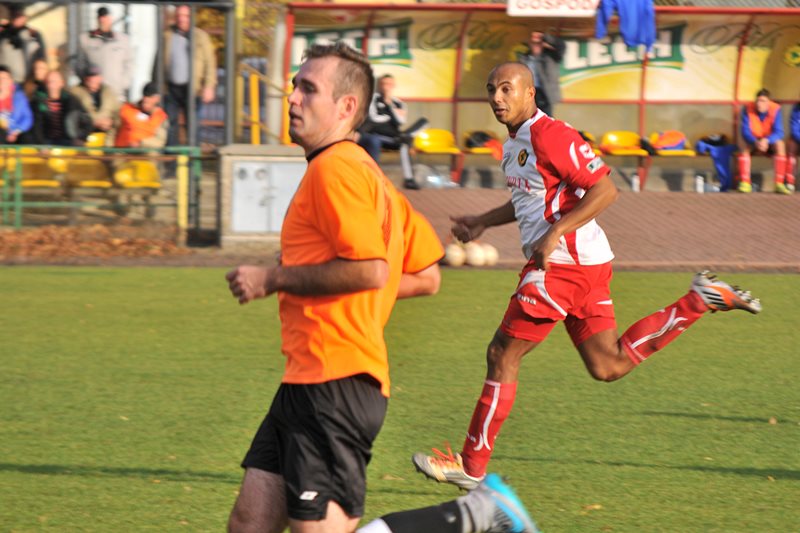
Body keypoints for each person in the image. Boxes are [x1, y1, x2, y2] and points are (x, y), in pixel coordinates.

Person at [225, 42, 538, 533]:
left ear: (346, 106)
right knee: (250, 523)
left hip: (334, 382)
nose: (292, 98)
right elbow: (426, 276)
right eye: (294, 86)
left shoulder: (335, 169)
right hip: (308, 377)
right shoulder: (372, 177)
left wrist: (273, 278)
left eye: (308, 89)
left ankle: (472, 513)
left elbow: (371, 269)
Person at [412, 62, 762, 491]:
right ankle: (699, 299)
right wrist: (484, 220)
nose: (497, 98)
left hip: (563, 266)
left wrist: (555, 233)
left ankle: (470, 466)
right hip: (583, 263)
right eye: (491, 89)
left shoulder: (551, 135)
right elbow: (531, 198)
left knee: (502, 354)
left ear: (530, 93)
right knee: (607, 364)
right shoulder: (514, 143)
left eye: (506, 89)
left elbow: (605, 189)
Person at [158, 4, 217, 146]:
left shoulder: (200, 37)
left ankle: (192, 157)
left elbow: (210, 63)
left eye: (185, 16)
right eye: (179, 16)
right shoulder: (167, 35)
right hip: (171, 88)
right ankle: (171, 158)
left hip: (193, 88)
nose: (182, 19)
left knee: (193, 124)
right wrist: (156, 87)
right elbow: (158, 62)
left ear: (191, 17)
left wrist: (209, 86)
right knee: (170, 124)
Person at [357, 73, 427, 190]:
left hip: (392, 137)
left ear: (393, 86)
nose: (386, 87)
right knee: (375, 139)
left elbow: (400, 121)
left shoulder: (399, 103)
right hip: (376, 134)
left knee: (422, 124)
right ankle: (373, 178)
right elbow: (373, 118)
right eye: (384, 84)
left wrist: (389, 105)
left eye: (389, 84)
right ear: (379, 85)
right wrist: (389, 117)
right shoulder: (373, 99)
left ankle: (409, 180)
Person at [737, 88, 789, 194]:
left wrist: (766, 140)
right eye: (758, 101)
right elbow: (745, 131)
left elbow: (779, 132)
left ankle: (779, 183)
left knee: (780, 144)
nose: (759, 104)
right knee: (742, 144)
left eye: (763, 101)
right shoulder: (747, 109)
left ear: (769, 102)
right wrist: (755, 141)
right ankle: (745, 182)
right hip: (754, 141)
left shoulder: (775, 109)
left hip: (768, 142)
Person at [78, 6, 133, 101]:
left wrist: (123, 83)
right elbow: (79, 63)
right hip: (94, 94)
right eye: (100, 17)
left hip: (116, 93)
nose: (103, 20)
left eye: (105, 17)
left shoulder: (123, 40)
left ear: (110, 18)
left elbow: (130, 64)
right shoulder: (86, 39)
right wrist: (88, 81)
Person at [29, 70, 91, 146]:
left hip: (69, 141)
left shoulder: (71, 101)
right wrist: (41, 144)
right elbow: (36, 126)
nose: (51, 85)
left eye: (54, 82)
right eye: (48, 82)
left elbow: (87, 119)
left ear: (61, 83)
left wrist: (81, 138)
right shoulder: (38, 102)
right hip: (46, 141)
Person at [515, 31, 564, 117]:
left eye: (538, 43)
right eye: (533, 43)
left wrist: (545, 37)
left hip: (545, 93)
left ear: (544, 45)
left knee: (545, 118)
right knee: (528, 118)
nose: (536, 45)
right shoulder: (525, 58)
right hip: (528, 92)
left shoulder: (550, 57)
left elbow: (561, 47)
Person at [70, 65, 120, 142]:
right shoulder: (75, 92)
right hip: (83, 138)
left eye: (95, 77)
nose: (92, 80)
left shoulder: (109, 92)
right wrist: (93, 123)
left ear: (100, 78)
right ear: (84, 79)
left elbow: (118, 113)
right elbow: (72, 117)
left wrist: (111, 122)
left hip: (107, 138)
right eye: (89, 77)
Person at [115, 82, 168, 148]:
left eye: (150, 97)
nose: (146, 99)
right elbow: (113, 129)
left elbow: (159, 142)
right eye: (145, 96)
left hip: (145, 151)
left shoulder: (161, 117)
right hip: (122, 150)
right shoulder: (127, 108)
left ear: (157, 99)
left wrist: (141, 143)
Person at [0, 5, 45, 85]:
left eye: (19, 15)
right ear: (10, 17)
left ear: (25, 17)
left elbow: (41, 59)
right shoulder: (2, 35)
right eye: (14, 15)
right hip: (5, 83)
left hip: (28, 83)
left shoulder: (34, 34)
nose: (16, 18)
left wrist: (37, 80)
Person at [0, 65, 32, 144]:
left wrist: (16, 131)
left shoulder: (19, 97)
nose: (1, 81)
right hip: (1, 134)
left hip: (17, 132)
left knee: (27, 137)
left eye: (4, 78)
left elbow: (27, 118)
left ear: (10, 81)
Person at [785, 98, 800, 194]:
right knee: (791, 144)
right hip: (798, 138)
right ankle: (789, 181)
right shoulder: (796, 108)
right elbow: (794, 128)